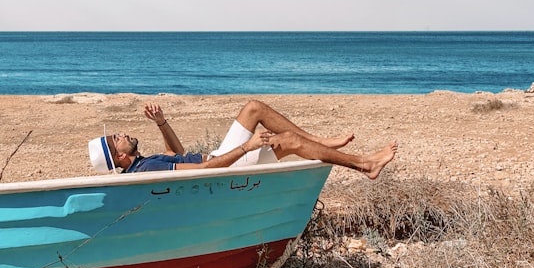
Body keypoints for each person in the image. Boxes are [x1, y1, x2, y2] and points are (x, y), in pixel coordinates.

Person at [88, 99, 397, 178]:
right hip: (226, 164)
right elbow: (206, 170)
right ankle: (365, 164)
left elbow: (178, 155)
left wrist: (162, 122)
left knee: (255, 109)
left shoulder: (142, 163)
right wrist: (247, 147)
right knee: (287, 140)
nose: (121, 134)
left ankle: (321, 143)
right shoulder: (145, 171)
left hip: (220, 154)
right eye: (116, 139)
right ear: (118, 157)